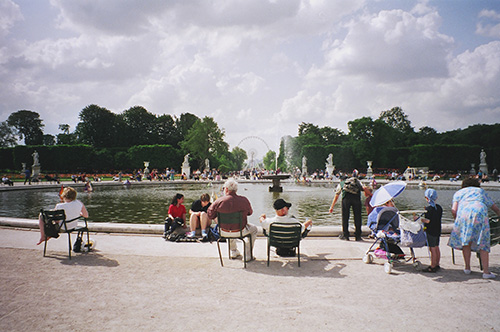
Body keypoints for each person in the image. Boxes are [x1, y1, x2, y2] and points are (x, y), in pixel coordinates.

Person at [448, 177, 500, 279]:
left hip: (463, 214)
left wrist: (457, 220)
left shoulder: (458, 193)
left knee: (466, 241)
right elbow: (495, 208)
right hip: (479, 213)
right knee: (483, 242)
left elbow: (454, 210)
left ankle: (467, 268)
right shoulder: (481, 191)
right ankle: (486, 272)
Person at [207, 178, 257, 261]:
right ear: (236, 190)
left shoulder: (219, 201)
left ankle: (233, 251)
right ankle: (247, 254)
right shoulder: (244, 200)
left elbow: (210, 215)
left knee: (228, 225)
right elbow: (250, 213)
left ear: (226, 189)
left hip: (224, 231)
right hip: (240, 230)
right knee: (254, 229)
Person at [329, 170, 369, 241]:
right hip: (356, 199)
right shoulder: (356, 181)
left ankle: (346, 235)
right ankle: (358, 236)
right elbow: (364, 188)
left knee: (345, 217)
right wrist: (371, 195)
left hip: (346, 199)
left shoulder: (341, 183)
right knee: (357, 217)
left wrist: (332, 207)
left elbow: (336, 195)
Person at [420, 189, 443, 273]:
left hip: (431, 231)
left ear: (427, 198)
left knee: (432, 248)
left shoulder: (429, 209)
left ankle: (432, 266)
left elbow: (428, 221)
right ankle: (437, 264)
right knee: (436, 247)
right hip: (437, 230)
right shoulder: (439, 208)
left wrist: (420, 219)